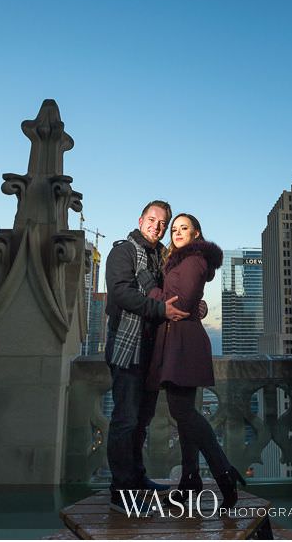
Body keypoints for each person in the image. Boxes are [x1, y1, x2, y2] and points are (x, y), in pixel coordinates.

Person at [146, 213, 246, 508]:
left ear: (196, 234)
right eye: (174, 229)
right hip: (178, 340)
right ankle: (190, 479)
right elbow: (189, 301)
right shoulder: (181, 260)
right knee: (184, 412)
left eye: (183, 228)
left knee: (184, 413)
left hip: (183, 343)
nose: (176, 232)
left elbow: (181, 302)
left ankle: (224, 471)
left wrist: (146, 286)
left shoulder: (194, 260)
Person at [104, 199, 189, 510]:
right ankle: (120, 491)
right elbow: (121, 292)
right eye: (152, 219)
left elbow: (174, 294)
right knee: (125, 420)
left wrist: (195, 306)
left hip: (152, 352)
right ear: (140, 220)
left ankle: (137, 479)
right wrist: (159, 309)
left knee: (142, 421)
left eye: (162, 223)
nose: (157, 226)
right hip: (128, 348)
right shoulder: (123, 251)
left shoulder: (160, 257)